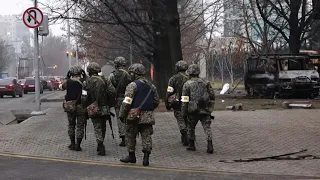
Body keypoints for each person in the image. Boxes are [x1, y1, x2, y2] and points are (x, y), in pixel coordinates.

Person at [119, 63, 159, 166]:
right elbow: (156, 101)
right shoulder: (152, 86)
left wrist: (122, 114)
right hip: (148, 116)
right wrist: (149, 109)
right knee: (146, 136)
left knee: (130, 135)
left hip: (134, 116)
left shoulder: (133, 85)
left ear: (135, 73)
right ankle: (146, 158)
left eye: (131, 73)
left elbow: (127, 101)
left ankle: (131, 156)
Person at [83, 62, 116, 156]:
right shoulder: (105, 79)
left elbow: (84, 96)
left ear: (89, 71)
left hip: (93, 108)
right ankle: (101, 142)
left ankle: (100, 144)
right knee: (103, 126)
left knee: (97, 126)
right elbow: (112, 91)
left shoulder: (86, 82)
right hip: (104, 107)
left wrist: (86, 106)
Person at [181, 64, 215, 154]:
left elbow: (185, 99)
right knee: (207, 127)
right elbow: (212, 95)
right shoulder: (206, 82)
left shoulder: (187, 84)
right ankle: (210, 145)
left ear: (190, 72)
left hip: (192, 110)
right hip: (205, 109)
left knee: (190, 127)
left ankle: (192, 144)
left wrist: (183, 112)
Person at [61, 66, 87, 151]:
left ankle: (72, 144)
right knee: (80, 126)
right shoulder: (84, 82)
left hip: (70, 106)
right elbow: (85, 93)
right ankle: (78, 145)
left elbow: (61, 87)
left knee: (71, 125)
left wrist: (67, 76)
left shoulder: (67, 82)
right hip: (80, 106)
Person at [108, 56, 132, 147]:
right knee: (129, 118)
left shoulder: (112, 75)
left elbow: (109, 88)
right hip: (128, 99)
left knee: (120, 118)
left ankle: (123, 138)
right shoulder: (129, 75)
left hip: (118, 100)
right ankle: (131, 136)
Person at [165, 60, 189, 146]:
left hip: (177, 103)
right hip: (189, 102)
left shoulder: (173, 78)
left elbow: (169, 91)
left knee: (180, 118)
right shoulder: (190, 78)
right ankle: (188, 134)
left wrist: (167, 102)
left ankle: (184, 132)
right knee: (187, 118)